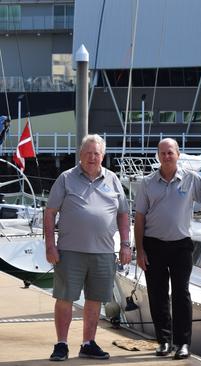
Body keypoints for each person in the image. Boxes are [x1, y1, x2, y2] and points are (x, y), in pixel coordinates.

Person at [134, 138, 201, 359]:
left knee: (181, 294)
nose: (166, 156)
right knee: (157, 295)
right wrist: (140, 250)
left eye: (170, 152)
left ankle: (183, 343)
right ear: (158, 155)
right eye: (162, 153)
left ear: (178, 154)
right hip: (153, 245)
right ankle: (164, 341)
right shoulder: (147, 183)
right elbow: (139, 217)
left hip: (181, 246)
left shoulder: (192, 179)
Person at [45, 134, 131, 361]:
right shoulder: (66, 178)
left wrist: (125, 245)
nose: (92, 157)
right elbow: (50, 212)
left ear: (102, 156)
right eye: (88, 153)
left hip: (103, 252)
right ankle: (61, 344)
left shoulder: (112, 179)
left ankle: (88, 343)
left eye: (97, 153)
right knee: (65, 298)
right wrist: (50, 246)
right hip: (70, 251)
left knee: (94, 300)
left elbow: (124, 214)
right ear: (80, 155)